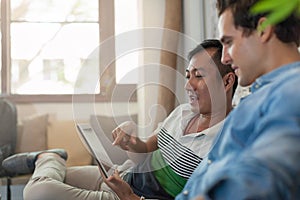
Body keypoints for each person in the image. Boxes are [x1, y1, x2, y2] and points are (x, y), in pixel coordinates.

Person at [2, 39, 237, 200]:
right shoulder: (183, 113)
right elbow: (146, 147)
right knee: (47, 184)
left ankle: (48, 158)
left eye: (199, 76)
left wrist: (130, 197)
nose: (188, 85)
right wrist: (131, 140)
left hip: (129, 196)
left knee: (38, 193)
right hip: (123, 175)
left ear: (227, 82)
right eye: (188, 76)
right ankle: (51, 159)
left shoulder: (224, 143)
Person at [175, 0, 300, 199]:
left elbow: (265, 176)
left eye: (229, 42)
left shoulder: (292, 91)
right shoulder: (261, 95)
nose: (225, 58)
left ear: (263, 30)